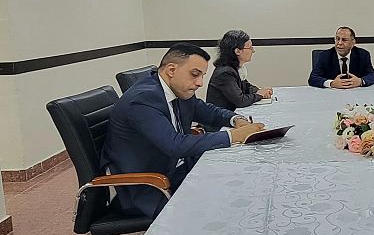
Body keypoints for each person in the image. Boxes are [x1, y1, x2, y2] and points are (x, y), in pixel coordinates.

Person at [102, 43, 264, 219]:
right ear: (171, 70)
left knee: (241, 179)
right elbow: (175, 145)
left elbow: (206, 111)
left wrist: (235, 119)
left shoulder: (176, 88)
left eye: (202, 76)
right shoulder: (142, 100)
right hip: (151, 186)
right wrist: (234, 136)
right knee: (226, 206)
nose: (200, 83)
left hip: (177, 168)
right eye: (195, 74)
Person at [206, 30, 273, 111]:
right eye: (250, 48)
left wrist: (259, 90)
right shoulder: (225, 73)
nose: (253, 51)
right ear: (237, 51)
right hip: (221, 117)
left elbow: (247, 87)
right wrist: (260, 95)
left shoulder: (235, 68)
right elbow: (240, 101)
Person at [308, 26, 374, 88]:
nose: (339, 43)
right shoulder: (324, 56)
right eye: (337, 39)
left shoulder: (363, 55)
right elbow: (313, 78)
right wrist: (332, 83)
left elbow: (372, 76)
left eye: (344, 40)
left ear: (353, 43)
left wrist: (360, 81)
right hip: (332, 94)